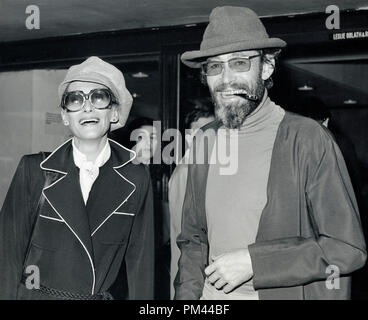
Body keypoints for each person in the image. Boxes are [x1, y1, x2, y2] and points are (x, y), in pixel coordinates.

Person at [174, 6, 367, 300]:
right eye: (214, 66)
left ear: (266, 68)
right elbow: (192, 241)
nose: (225, 79)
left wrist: (255, 262)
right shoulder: (205, 139)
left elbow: (347, 249)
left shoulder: (307, 138)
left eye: (239, 63)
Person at [0, 56, 154, 300]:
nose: (87, 107)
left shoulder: (136, 177)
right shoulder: (34, 170)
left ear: (114, 113)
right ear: (64, 116)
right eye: (75, 99)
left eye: (98, 97)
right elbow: (6, 256)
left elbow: (141, 264)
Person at [168, 99, 215, 299]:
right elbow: (185, 236)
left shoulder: (208, 169)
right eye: (198, 132)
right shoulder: (186, 173)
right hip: (191, 278)